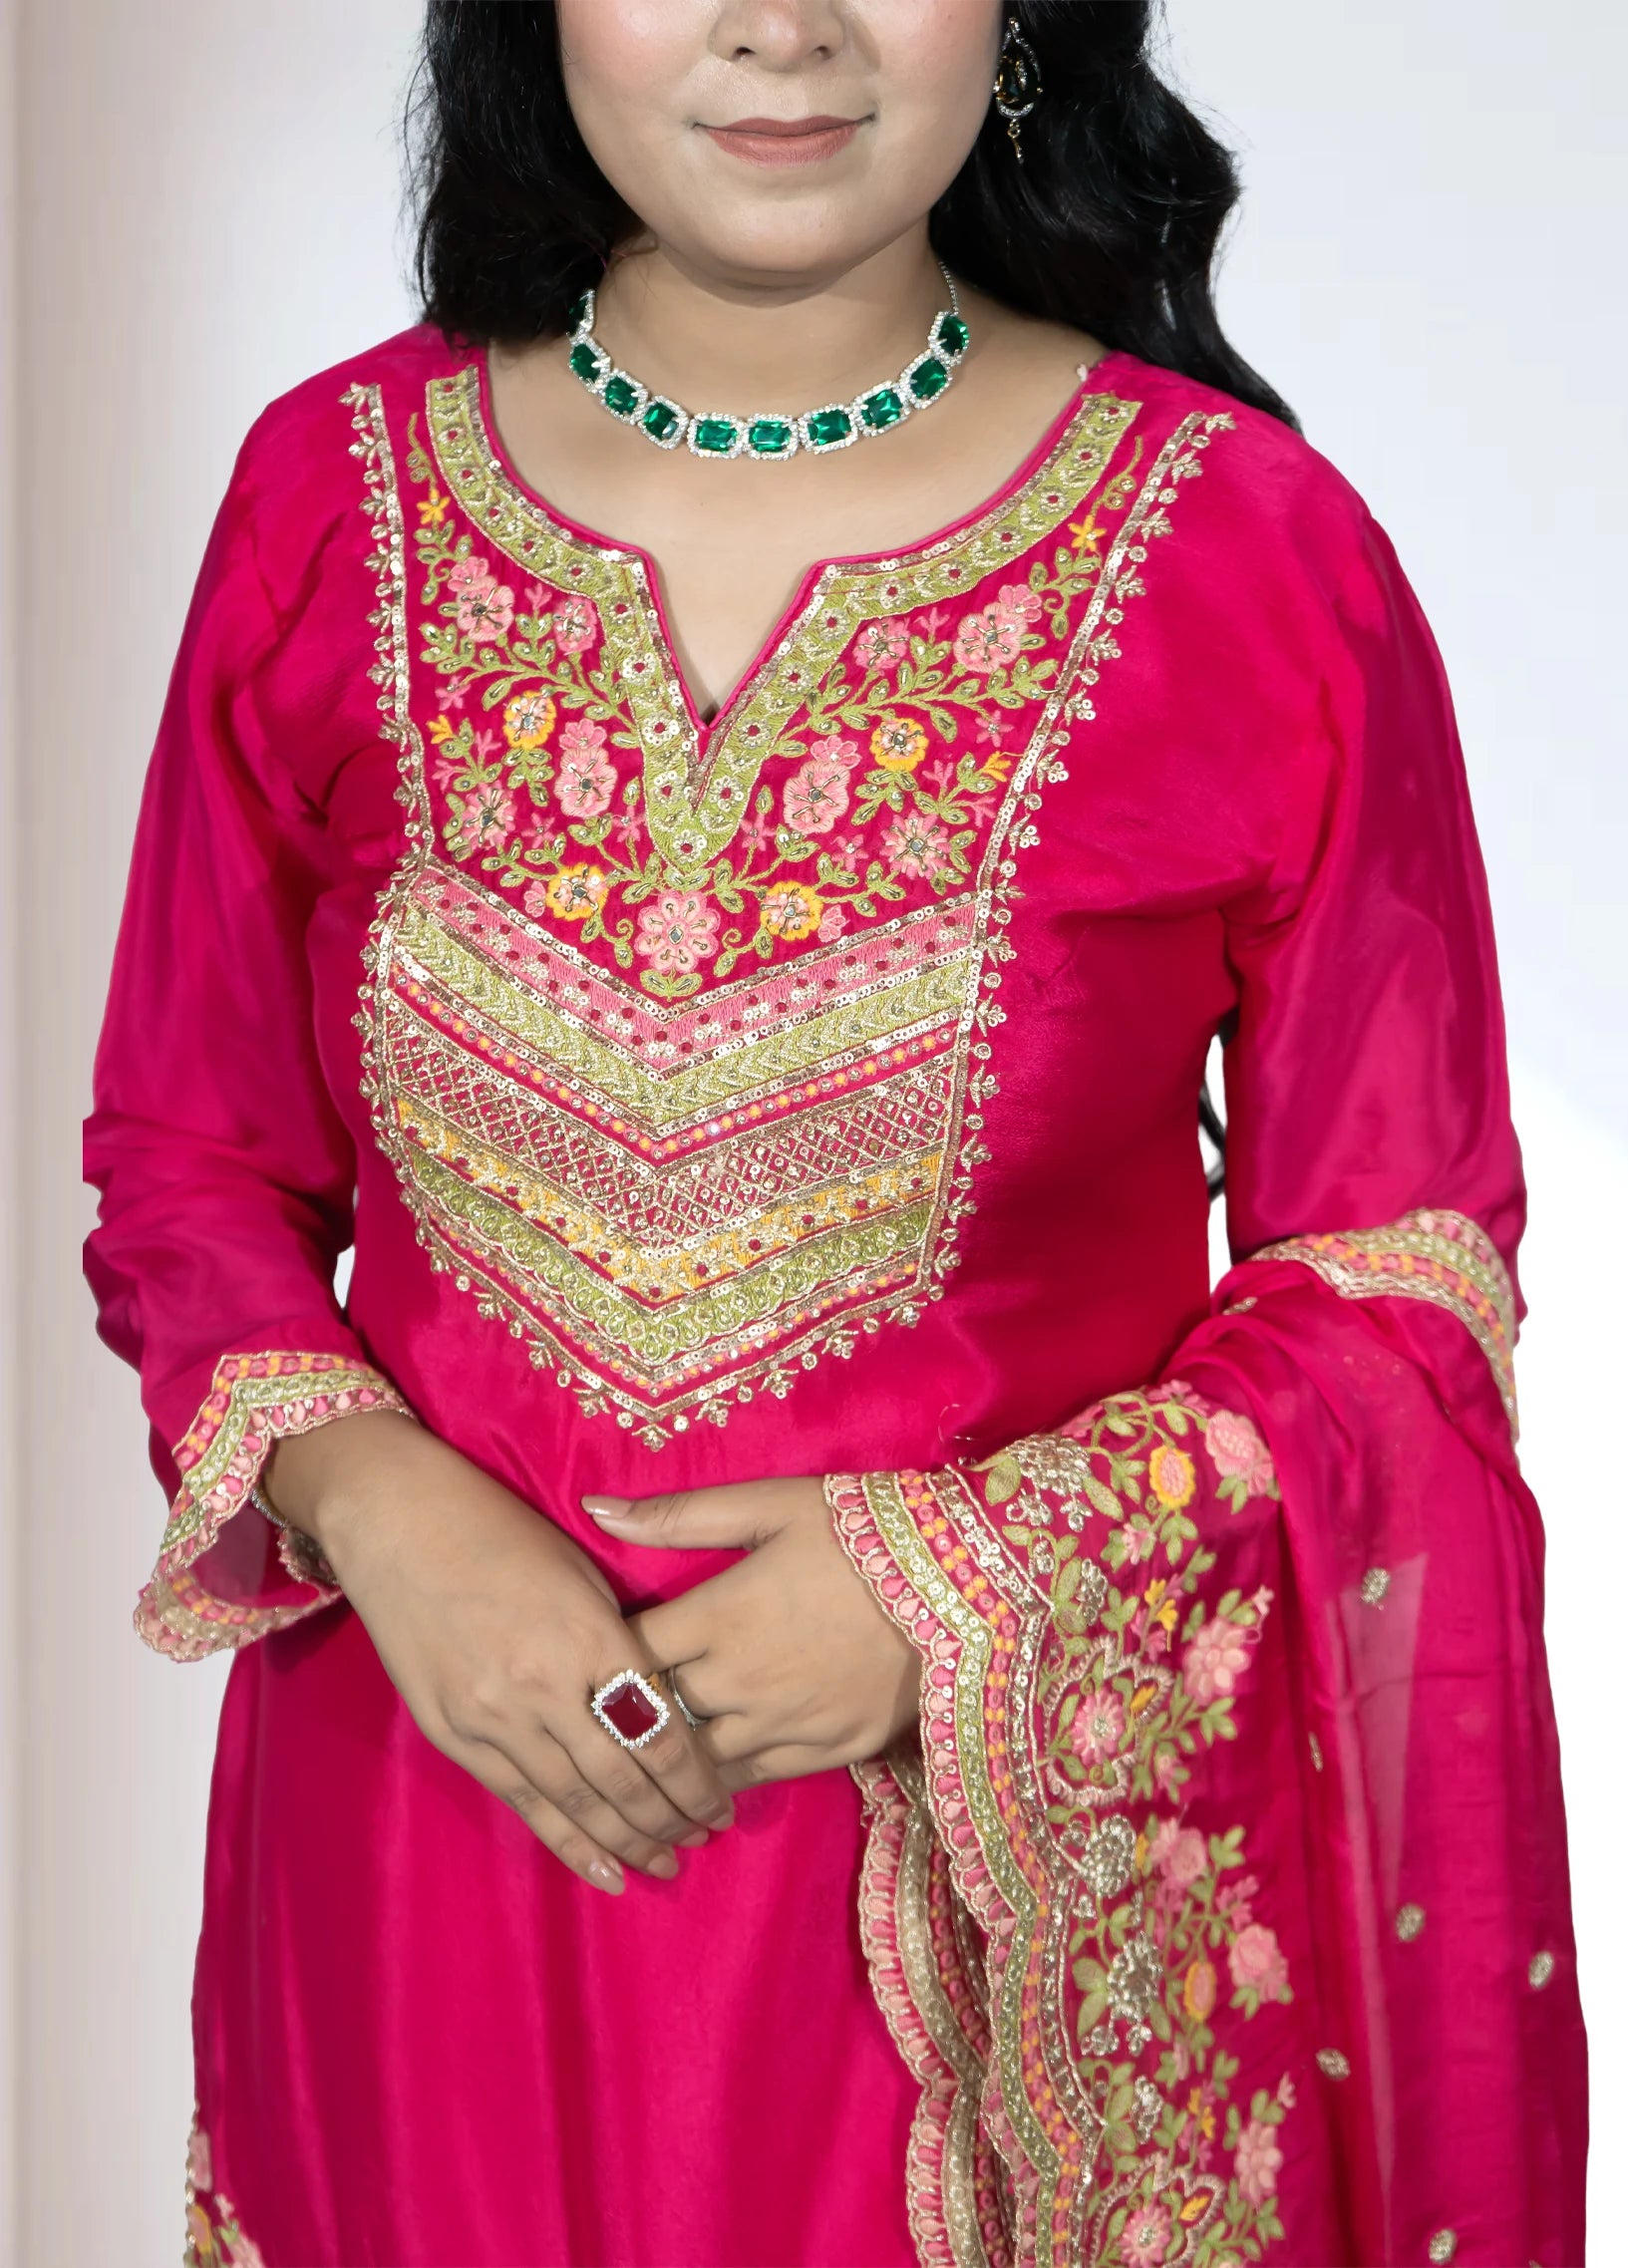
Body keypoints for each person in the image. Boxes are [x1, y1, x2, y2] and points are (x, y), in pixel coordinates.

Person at [83, 3, 1587, 2263]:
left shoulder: (1248, 553)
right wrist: (379, 1506)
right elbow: (187, 1158)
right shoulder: (331, 497)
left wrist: (961, 1592)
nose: (778, 21)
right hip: (424, 1829)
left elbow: (1402, 1280)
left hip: (1002, 1918)